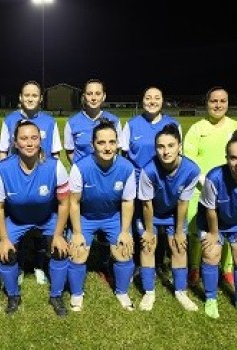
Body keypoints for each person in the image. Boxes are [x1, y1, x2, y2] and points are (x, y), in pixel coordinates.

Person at [0, 120, 70, 316]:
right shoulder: (1, 170)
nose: (29, 143)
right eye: (23, 138)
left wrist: (59, 234)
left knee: (60, 250)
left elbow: (64, 203)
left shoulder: (55, 166)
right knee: (6, 254)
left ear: (40, 141)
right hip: (17, 220)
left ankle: (56, 295)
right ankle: (13, 295)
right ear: (15, 143)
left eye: (34, 138)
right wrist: (4, 239)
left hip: (46, 218)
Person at [0, 80, 62, 285]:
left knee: (42, 227)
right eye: (27, 95)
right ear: (20, 97)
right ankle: (20, 264)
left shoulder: (50, 122)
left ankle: (39, 265)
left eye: (35, 95)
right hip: (17, 180)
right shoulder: (9, 120)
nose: (31, 99)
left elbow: (55, 154)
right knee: (19, 224)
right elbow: (2, 153)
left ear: (40, 98)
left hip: (42, 180)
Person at [68, 119, 136, 312]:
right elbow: (74, 202)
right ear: (92, 145)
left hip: (112, 216)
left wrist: (124, 231)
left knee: (123, 250)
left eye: (112, 142)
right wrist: (77, 232)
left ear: (117, 143)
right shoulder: (80, 167)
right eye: (101, 142)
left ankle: (121, 292)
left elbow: (127, 201)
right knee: (78, 252)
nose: (107, 147)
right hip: (86, 217)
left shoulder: (126, 168)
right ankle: (76, 294)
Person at [64, 78, 122, 282]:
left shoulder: (114, 121)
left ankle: (106, 260)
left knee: (107, 215)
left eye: (98, 93)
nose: (94, 97)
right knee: (81, 215)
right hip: (83, 181)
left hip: (107, 181)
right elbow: (70, 151)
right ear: (84, 96)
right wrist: (83, 170)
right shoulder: (72, 122)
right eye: (89, 93)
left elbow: (118, 151)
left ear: (104, 96)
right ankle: (77, 246)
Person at [137, 124, 199, 312]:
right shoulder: (148, 171)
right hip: (151, 213)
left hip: (173, 213)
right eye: (160, 147)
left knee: (179, 247)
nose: (165, 151)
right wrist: (148, 231)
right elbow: (147, 204)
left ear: (179, 146)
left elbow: (183, 203)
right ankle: (149, 292)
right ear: (155, 148)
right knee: (148, 246)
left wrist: (179, 232)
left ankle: (181, 291)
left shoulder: (192, 170)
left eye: (171, 145)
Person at [121, 86, 181, 276]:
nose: (152, 101)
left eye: (157, 98)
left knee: (161, 224)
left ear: (163, 101)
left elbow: (179, 155)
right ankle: (140, 262)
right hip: (138, 184)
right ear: (142, 100)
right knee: (141, 224)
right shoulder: (131, 125)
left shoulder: (173, 124)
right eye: (148, 97)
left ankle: (160, 262)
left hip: (164, 183)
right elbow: (123, 156)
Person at [184, 86, 237, 287]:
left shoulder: (234, 127)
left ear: (227, 103)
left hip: (230, 191)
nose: (218, 105)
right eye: (213, 101)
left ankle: (227, 269)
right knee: (199, 231)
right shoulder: (198, 128)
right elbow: (188, 157)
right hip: (201, 189)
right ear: (207, 103)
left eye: (222, 101)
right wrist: (202, 179)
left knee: (232, 230)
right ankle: (195, 267)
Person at [197, 130, 237, 318]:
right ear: (226, 157)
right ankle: (211, 298)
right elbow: (210, 210)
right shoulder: (215, 178)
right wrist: (213, 234)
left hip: (235, 222)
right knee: (211, 254)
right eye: (233, 157)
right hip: (213, 222)